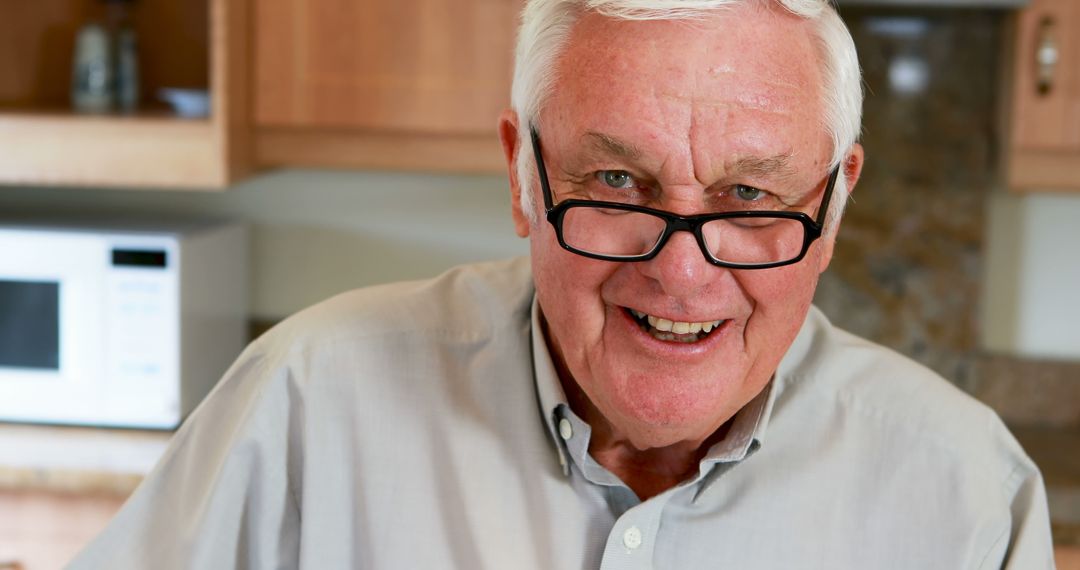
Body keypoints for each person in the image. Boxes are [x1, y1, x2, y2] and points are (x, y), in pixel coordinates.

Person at [70, 0, 1055, 568]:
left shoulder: (967, 497)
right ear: (520, 175)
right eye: (616, 182)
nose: (680, 268)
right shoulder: (308, 403)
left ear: (834, 205)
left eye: (750, 195)